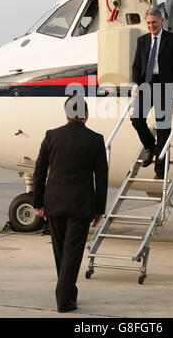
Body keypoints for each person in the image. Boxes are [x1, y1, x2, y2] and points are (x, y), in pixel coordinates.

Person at [33, 95, 108, 313]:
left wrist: (39, 202)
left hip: (54, 203)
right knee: (72, 254)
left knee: (60, 253)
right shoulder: (95, 139)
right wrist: (99, 209)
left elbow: (39, 171)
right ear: (86, 114)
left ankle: (67, 293)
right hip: (81, 205)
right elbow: (101, 177)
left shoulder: (51, 136)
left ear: (66, 114)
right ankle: (64, 301)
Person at [131, 7, 173, 179]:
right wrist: (135, 83)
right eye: (148, 23)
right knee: (136, 119)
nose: (151, 26)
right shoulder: (142, 40)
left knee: (163, 128)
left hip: (166, 86)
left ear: (162, 21)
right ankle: (151, 146)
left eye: (154, 22)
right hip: (147, 85)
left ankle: (160, 171)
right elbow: (136, 65)